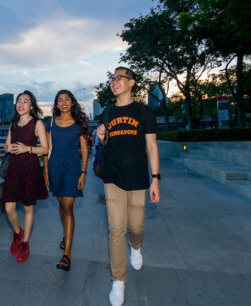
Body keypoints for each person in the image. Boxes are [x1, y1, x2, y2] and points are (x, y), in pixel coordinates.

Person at [96, 67, 160, 306]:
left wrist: (155, 179)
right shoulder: (107, 112)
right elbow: (105, 143)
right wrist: (102, 136)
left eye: (119, 78)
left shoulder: (144, 112)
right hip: (112, 176)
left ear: (132, 82)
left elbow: (152, 147)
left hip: (137, 177)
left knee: (135, 225)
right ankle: (118, 280)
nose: (114, 82)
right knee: (115, 229)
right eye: (112, 78)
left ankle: (136, 245)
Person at [45, 89, 90, 271]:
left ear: (72, 103)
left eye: (67, 99)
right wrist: (46, 172)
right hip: (54, 167)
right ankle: (66, 235)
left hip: (72, 168)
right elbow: (47, 149)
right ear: (56, 104)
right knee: (61, 205)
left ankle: (67, 255)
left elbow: (85, 150)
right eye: (60, 100)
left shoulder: (78, 124)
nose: (63, 102)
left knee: (68, 205)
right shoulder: (50, 123)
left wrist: (83, 173)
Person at [2, 90, 49, 262]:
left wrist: (26, 149)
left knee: (29, 207)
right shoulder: (13, 124)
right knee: (9, 208)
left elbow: (45, 149)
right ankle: (17, 232)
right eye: (19, 101)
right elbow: (5, 146)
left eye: (25, 101)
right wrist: (10, 148)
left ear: (31, 106)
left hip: (30, 169)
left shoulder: (37, 123)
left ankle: (25, 243)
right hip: (13, 169)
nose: (21, 104)